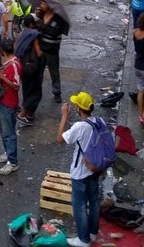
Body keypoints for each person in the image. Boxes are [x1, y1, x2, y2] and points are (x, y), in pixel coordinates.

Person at [57, 92, 104, 247]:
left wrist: (64, 116)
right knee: (94, 201)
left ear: (78, 108)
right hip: (95, 168)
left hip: (80, 173)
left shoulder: (80, 127)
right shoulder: (99, 121)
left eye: (76, 105)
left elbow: (60, 139)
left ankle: (84, 239)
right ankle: (93, 233)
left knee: (80, 206)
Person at [0, 38, 21, 175]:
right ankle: (8, 153)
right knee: (3, 129)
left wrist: (0, 76)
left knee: (9, 132)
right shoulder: (8, 63)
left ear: (3, 51)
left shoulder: (14, 65)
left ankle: (12, 162)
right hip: (3, 100)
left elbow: (16, 86)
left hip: (9, 103)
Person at [15, 15, 44, 126]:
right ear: (32, 24)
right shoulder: (33, 35)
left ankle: (29, 115)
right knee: (36, 91)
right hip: (32, 67)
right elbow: (38, 53)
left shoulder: (21, 34)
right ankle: (23, 113)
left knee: (27, 89)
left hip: (22, 66)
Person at [37, 1, 69, 102]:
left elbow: (53, 32)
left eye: (43, 3)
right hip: (41, 49)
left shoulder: (59, 18)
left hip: (52, 51)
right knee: (39, 72)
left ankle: (57, 92)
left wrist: (44, 24)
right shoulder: (41, 14)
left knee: (54, 72)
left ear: (49, 5)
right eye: (41, 3)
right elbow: (36, 28)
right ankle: (37, 92)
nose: (41, 5)